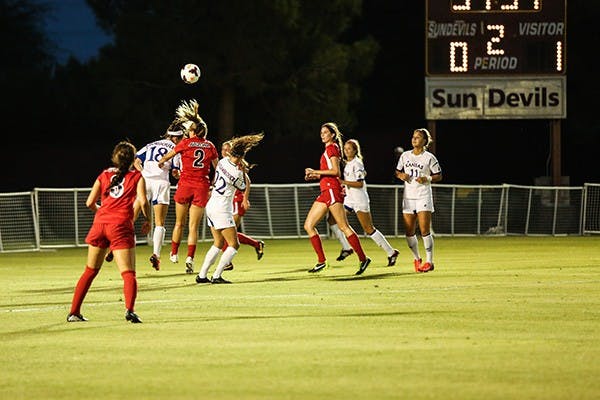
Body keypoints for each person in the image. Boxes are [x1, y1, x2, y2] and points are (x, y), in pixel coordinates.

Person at [67, 141, 151, 324]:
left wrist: (104, 214)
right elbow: (143, 201)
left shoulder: (104, 174)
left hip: (100, 225)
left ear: (115, 157)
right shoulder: (136, 177)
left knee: (90, 271)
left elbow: (90, 202)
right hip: (120, 226)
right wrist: (148, 220)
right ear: (132, 159)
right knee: (128, 273)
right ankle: (129, 310)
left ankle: (74, 312)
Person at [158, 99, 218, 274]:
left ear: (193, 131)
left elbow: (169, 154)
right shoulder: (210, 146)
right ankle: (190, 259)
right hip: (201, 186)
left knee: (179, 223)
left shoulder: (185, 143)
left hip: (185, 184)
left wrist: (161, 161)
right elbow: (218, 167)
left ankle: (174, 253)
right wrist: (215, 183)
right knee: (193, 227)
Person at [195, 133, 264, 284]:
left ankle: (202, 275)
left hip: (211, 205)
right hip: (222, 209)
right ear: (242, 155)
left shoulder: (222, 161)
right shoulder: (237, 173)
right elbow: (243, 186)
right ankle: (217, 276)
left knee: (218, 243)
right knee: (234, 244)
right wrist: (243, 171)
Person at [304, 122, 371, 275]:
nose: (322, 135)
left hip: (332, 191)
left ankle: (363, 258)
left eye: (325, 132)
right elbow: (329, 172)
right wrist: (315, 175)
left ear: (332, 135)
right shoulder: (328, 149)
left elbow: (336, 172)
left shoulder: (332, 148)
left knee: (343, 226)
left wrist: (316, 171)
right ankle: (321, 262)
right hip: (325, 191)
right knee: (308, 225)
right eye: (321, 132)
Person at [332, 138, 400, 266]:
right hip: (350, 199)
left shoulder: (357, 163)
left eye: (349, 149)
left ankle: (391, 252)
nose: (346, 151)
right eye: (345, 149)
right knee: (335, 219)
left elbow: (359, 183)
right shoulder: (349, 163)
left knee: (369, 229)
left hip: (359, 199)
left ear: (355, 150)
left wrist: (343, 182)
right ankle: (347, 247)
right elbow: (360, 175)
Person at [133, 123, 184, 271]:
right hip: (161, 182)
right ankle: (156, 254)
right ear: (176, 138)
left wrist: (143, 173)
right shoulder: (175, 149)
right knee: (159, 222)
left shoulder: (150, 144)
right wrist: (179, 174)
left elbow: (136, 160)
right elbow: (175, 171)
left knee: (132, 216)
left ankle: (118, 245)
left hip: (145, 180)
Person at [395, 128, 442, 273]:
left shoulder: (429, 157)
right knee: (409, 231)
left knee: (424, 230)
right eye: (413, 136)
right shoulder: (405, 156)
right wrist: (400, 175)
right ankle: (417, 258)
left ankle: (429, 261)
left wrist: (427, 178)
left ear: (424, 141)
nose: (414, 139)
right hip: (408, 197)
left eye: (418, 137)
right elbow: (397, 171)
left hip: (423, 196)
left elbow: (439, 175)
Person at [219, 140, 265, 271]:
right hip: (228, 201)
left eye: (227, 149)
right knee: (228, 232)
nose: (224, 152)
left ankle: (227, 262)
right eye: (222, 149)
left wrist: (245, 199)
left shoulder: (236, 164)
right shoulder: (224, 164)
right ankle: (257, 244)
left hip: (237, 200)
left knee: (227, 232)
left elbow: (248, 181)